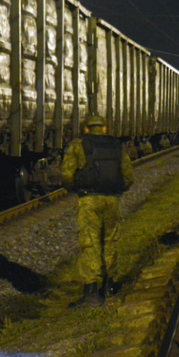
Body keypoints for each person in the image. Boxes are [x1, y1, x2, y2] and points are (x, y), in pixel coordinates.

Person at [61, 114, 134, 307]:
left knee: (89, 242)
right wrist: (117, 189)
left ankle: (91, 293)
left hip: (89, 200)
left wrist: (75, 188)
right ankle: (110, 286)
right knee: (110, 240)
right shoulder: (117, 145)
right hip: (112, 200)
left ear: (86, 129)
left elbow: (66, 175)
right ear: (104, 128)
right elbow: (128, 176)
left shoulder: (78, 145)